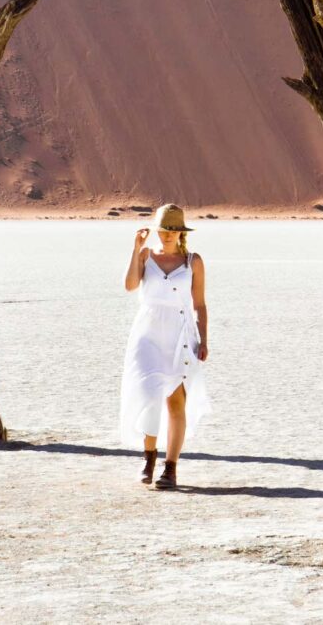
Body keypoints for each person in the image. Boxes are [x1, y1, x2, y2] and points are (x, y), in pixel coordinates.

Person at [119, 203, 210, 489]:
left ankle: (170, 468)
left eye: (173, 230)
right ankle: (149, 457)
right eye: (164, 229)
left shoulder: (193, 261)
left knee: (175, 400)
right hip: (147, 333)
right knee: (149, 393)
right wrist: (136, 249)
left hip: (180, 335)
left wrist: (204, 339)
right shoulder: (146, 256)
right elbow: (130, 285)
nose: (168, 234)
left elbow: (200, 304)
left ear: (181, 232)